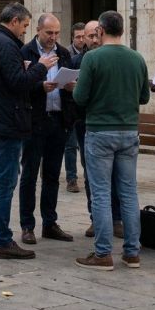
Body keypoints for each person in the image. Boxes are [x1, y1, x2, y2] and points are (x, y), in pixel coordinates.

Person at [0, 2, 53, 261]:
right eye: (24, 26)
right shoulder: (6, 45)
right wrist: (40, 67)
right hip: (5, 122)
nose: (25, 31)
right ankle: (2, 240)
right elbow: (18, 82)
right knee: (3, 182)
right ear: (14, 21)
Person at [73, 11, 149, 271]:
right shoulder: (137, 58)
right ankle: (132, 252)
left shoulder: (92, 58)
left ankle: (103, 253)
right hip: (128, 131)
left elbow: (80, 97)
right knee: (128, 193)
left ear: (101, 31)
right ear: (122, 31)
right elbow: (144, 97)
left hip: (100, 131)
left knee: (101, 193)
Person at [18, 14, 75, 244]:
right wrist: (40, 86)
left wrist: (71, 87)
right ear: (38, 30)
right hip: (34, 121)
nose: (53, 37)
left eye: (57, 33)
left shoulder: (64, 53)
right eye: (49, 33)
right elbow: (18, 85)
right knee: (29, 174)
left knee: (52, 175)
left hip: (58, 120)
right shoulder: (26, 52)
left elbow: (71, 80)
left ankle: (50, 223)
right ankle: (27, 225)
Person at [73, 20, 122, 239]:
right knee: (90, 175)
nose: (93, 40)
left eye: (95, 35)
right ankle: (96, 219)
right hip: (85, 123)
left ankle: (116, 219)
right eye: (88, 36)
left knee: (116, 175)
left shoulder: (114, 58)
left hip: (110, 123)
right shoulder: (77, 61)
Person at [63, 22, 86, 193]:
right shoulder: (66, 55)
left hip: (83, 109)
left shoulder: (89, 55)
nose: (81, 40)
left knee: (85, 145)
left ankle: (88, 175)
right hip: (70, 107)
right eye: (78, 37)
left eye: (84, 36)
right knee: (70, 145)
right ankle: (71, 179)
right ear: (72, 38)